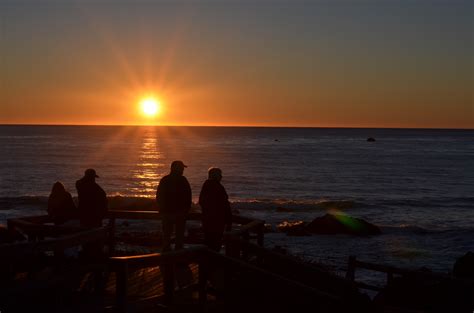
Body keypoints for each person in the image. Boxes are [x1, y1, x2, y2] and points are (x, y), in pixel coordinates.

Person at [156, 160, 192, 251]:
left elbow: (159, 195)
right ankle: (177, 258)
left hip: (167, 213)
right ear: (177, 168)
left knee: (166, 236)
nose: (183, 170)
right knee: (179, 237)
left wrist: (161, 208)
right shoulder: (183, 180)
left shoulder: (165, 179)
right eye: (181, 168)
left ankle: (166, 257)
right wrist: (187, 209)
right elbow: (188, 196)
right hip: (179, 213)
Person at [199, 167, 232, 251]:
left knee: (209, 240)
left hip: (207, 218)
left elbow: (202, 202)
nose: (221, 177)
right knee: (216, 241)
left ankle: (209, 259)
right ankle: (213, 260)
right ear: (215, 176)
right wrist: (228, 218)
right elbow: (224, 203)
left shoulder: (206, 185)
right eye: (219, 175)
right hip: (217, 219)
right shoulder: (217, 187)